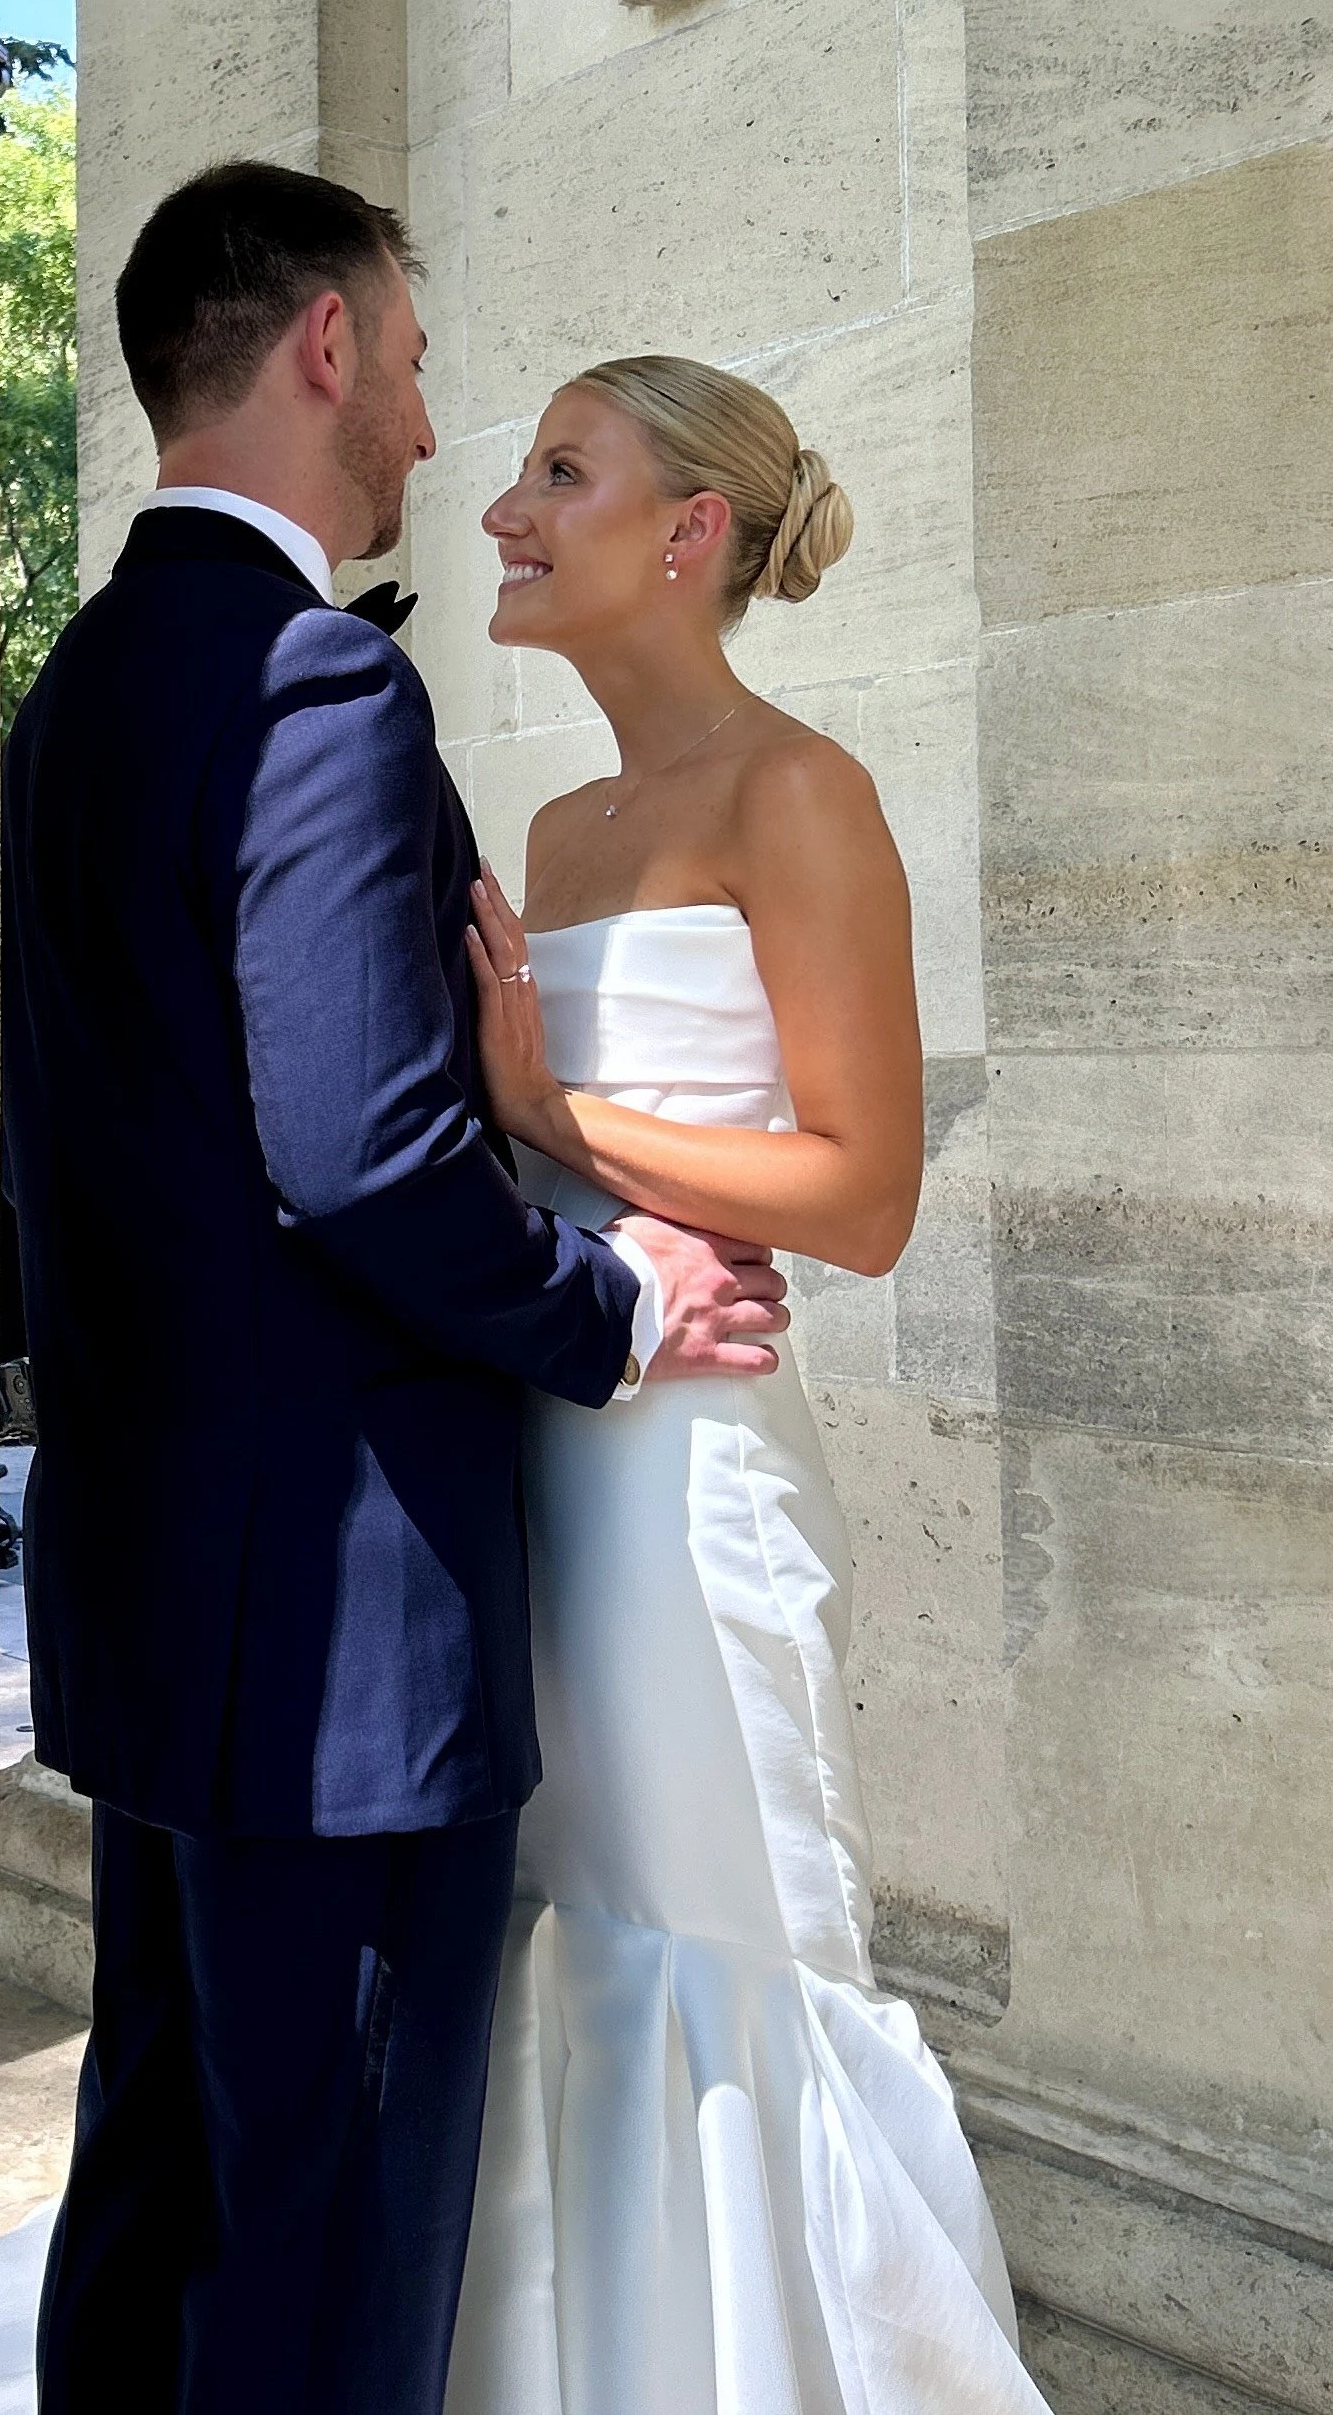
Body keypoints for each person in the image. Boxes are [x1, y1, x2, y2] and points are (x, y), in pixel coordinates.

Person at [0, 171, 792, 2415]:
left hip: (156, 1612)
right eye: (423, 367)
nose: (436, 436)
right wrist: (612, 1307)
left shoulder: (66, 704)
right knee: (329, 2269)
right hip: (342, 1641)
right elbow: (360, 1152)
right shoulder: (318, 677)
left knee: (153, 2198)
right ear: (324, 346)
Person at [445, 358, 1049, 2413]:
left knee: (741, 1935)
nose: (502, 508)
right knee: (579, 1918)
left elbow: (860, 1192)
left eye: (557, 471)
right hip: (549, 1458)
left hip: (695, 1488)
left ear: (686, 530)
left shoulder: (800, 791)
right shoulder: (552, 818)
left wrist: (554, 1100)